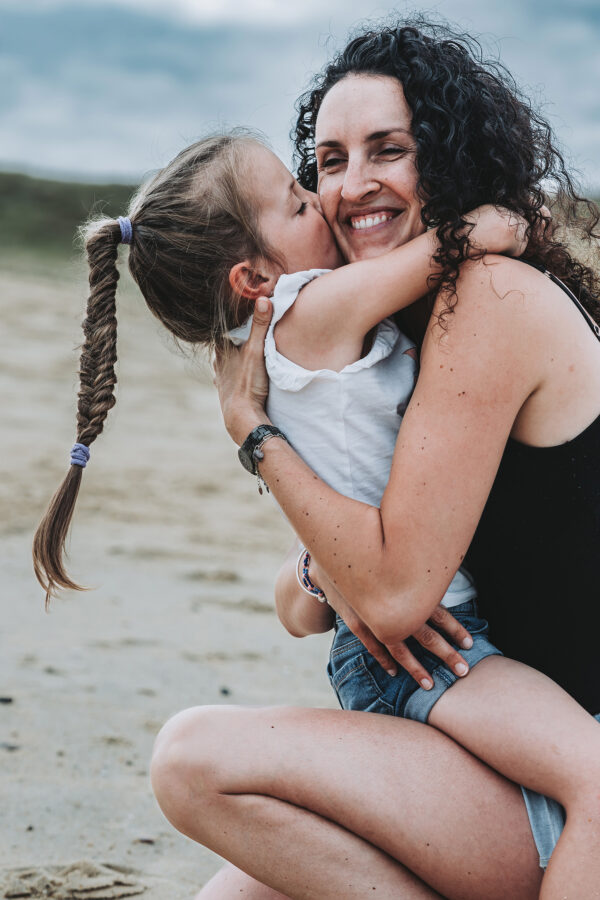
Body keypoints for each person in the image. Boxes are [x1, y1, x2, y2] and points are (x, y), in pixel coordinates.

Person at [153, 22, 600, 900]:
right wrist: (333, 574)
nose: (350, 186)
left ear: (448, 155)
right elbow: (302, 601)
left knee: (194, 761)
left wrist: (253, 434)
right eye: (325, 162)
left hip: (560, 769)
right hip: (479, 731)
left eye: (388, 151)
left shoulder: (487, 298)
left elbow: (395, 595)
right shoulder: (386, 331)